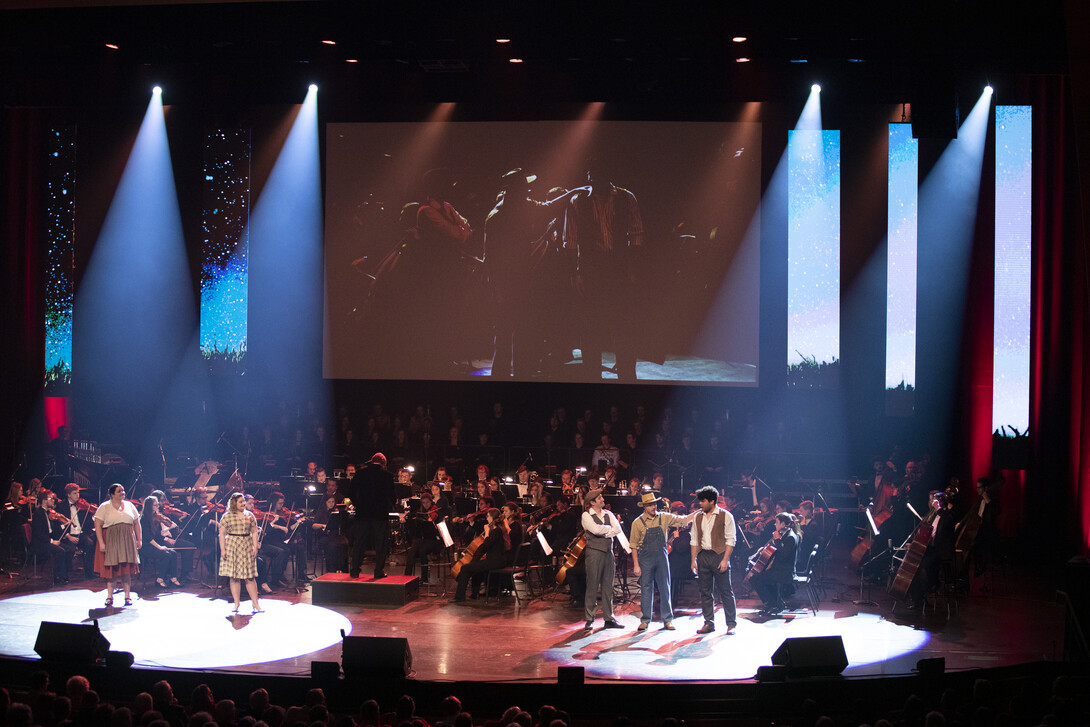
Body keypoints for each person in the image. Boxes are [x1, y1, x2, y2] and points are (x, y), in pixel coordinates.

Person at [629, 489, 695, 630]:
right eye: (650, 505)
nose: (653, 507)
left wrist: (694, 514)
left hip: (661, 555)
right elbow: (633, 545)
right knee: (646, 588)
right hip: (645, 557)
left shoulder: (664, 517)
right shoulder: (637, 523)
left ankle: (667, 619)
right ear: (644, 507)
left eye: (654, 504)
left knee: (665, 586)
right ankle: (646, 619)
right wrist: (636, 565)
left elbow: (682, 521)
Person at [691, 485, 737, 634]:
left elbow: (731, 540)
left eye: (703, 501)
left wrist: (725, 560)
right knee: (705, 592)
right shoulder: (698, 516)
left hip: (719, 556)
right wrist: (694, 560)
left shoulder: (726, 516)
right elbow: (694, 540)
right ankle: (709, 623)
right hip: (703, 556)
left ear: (712, 501)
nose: (700, 504)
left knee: (725, 591)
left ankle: (731, 624)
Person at [346, 452, 396, 579]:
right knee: (380, 544)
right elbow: (393, 497)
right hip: (380, 515)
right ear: (383, 463)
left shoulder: (360, 473)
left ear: (372, 461)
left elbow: (351, 493)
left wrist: (359, 505)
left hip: (363, 513)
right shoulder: (387, 476)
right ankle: (378, 570)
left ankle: (354, 570)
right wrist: (388, 506)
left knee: (359, 542)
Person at [581, 488, 623, 630]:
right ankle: (590, 618)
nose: (602, 499)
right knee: (592, 586)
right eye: (599, 498)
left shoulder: (608, 513)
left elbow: (617, 529)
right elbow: (595, 530)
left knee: (608, 586)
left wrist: (604, 530)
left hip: (608, 553)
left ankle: (609, 618)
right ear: (592, 502)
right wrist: (608, 530)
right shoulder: (586, 516)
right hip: (594, 553)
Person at [93, 483, 141, 607]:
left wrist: (139, 540)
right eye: (119, 491)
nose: (122, 493)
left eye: (123, 490)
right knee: (112, 570)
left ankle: (127, 597)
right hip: (111, 539)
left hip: (127, 539)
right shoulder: (104, 506)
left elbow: (136, 523)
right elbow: (97, 525)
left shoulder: (130, 505)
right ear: (112, 494)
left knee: (126, 570)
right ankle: (110, 596)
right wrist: (101, 543)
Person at [218, 491, 263, 615]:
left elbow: (254, 531)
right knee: (234, 577)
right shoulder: (226, 516)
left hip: (246, 545)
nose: (243, 503)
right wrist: (223, 549)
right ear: (234, 503)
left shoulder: (250, 515)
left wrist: (255, 547)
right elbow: (221, 534)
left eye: (244, 501)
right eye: (241, 501)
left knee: (249, 577)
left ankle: (255, 603)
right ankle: (236, 603)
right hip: (232, 545)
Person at [749, 512, 801, 615]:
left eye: (777, 522)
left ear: (783, 524)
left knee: (755, 578)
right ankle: (776, 603)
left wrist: (777, 540)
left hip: (785, 572)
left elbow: (783, 555)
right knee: (761, 577)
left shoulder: (790, 537)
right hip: (779, 569)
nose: (775, 524)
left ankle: (772, 603)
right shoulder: (786, 534)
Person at [451, 508, 504, 602]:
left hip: (495, 561)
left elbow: (487, 544)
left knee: (465, 568)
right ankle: (474, 594)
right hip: (493, 560)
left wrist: (487, 532)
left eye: (488, 516)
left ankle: (459, 597)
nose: (487, 518)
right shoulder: (496, 530)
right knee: (475, 568)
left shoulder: (497, 531)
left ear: (493, 518)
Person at [32, 489, 73, 585]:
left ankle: (64, 575)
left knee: (69, 549)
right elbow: (38, 533)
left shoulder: (48, 513)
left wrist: (64, 526)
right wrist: (51, 541)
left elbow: (52, 530)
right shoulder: (38, 514)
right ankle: (57, 577)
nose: (53, 500)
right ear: (44, 500)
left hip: (47, 540)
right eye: (51, 498)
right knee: (60, 551)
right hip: (40, 543)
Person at [139, 495, 180, 588]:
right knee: (167, 555)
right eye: (156, 505)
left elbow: (157, 535)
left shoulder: (155, 518)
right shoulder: (144, 519)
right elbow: (147, 537)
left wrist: (164, 543)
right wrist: (159, 547)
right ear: (149, 506)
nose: (158, 507)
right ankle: (159, 579)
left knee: (173, 552)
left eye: (158, 505)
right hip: (145, 546)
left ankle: (173, 578)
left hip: (152, 544)